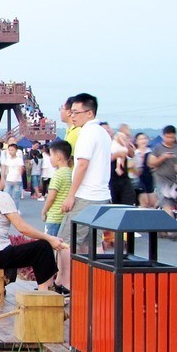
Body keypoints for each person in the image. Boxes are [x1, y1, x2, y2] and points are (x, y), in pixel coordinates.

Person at [0, 161, 68, 293]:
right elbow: (22, 228)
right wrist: (49, 238)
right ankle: (45, 291)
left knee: (11, 249)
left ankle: (2, 284)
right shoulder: (1, 196)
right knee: (43, 247)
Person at [61, 93, 116, 257]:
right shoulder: (103, 133)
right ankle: (94, 273)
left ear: (89, 113)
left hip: (85, 196)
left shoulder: (87, 133)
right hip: (101, 196)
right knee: (92, 242)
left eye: (76, 112)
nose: (72, 116)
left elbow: (82, 165)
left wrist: (71, 195)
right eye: (71, 112)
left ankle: (64, 275)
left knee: (66, 241)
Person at [148, 126, 177, 219]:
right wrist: (163, 157)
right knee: (166, 204)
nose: (170, 140)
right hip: (160, 179)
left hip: (173, 180)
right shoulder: (158, 149)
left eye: (172, 137)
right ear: (163, 136)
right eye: (168, 137)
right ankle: (171, 224)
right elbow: (151, 163)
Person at [40, 140, 73, 238]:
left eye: (51, 155)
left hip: (54, 217)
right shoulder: (70, 173)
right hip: (64, 216)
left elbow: (51, 197)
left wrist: (44, 211)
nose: (50, 158)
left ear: (58, 157)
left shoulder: (58, 175)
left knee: (50, 243)